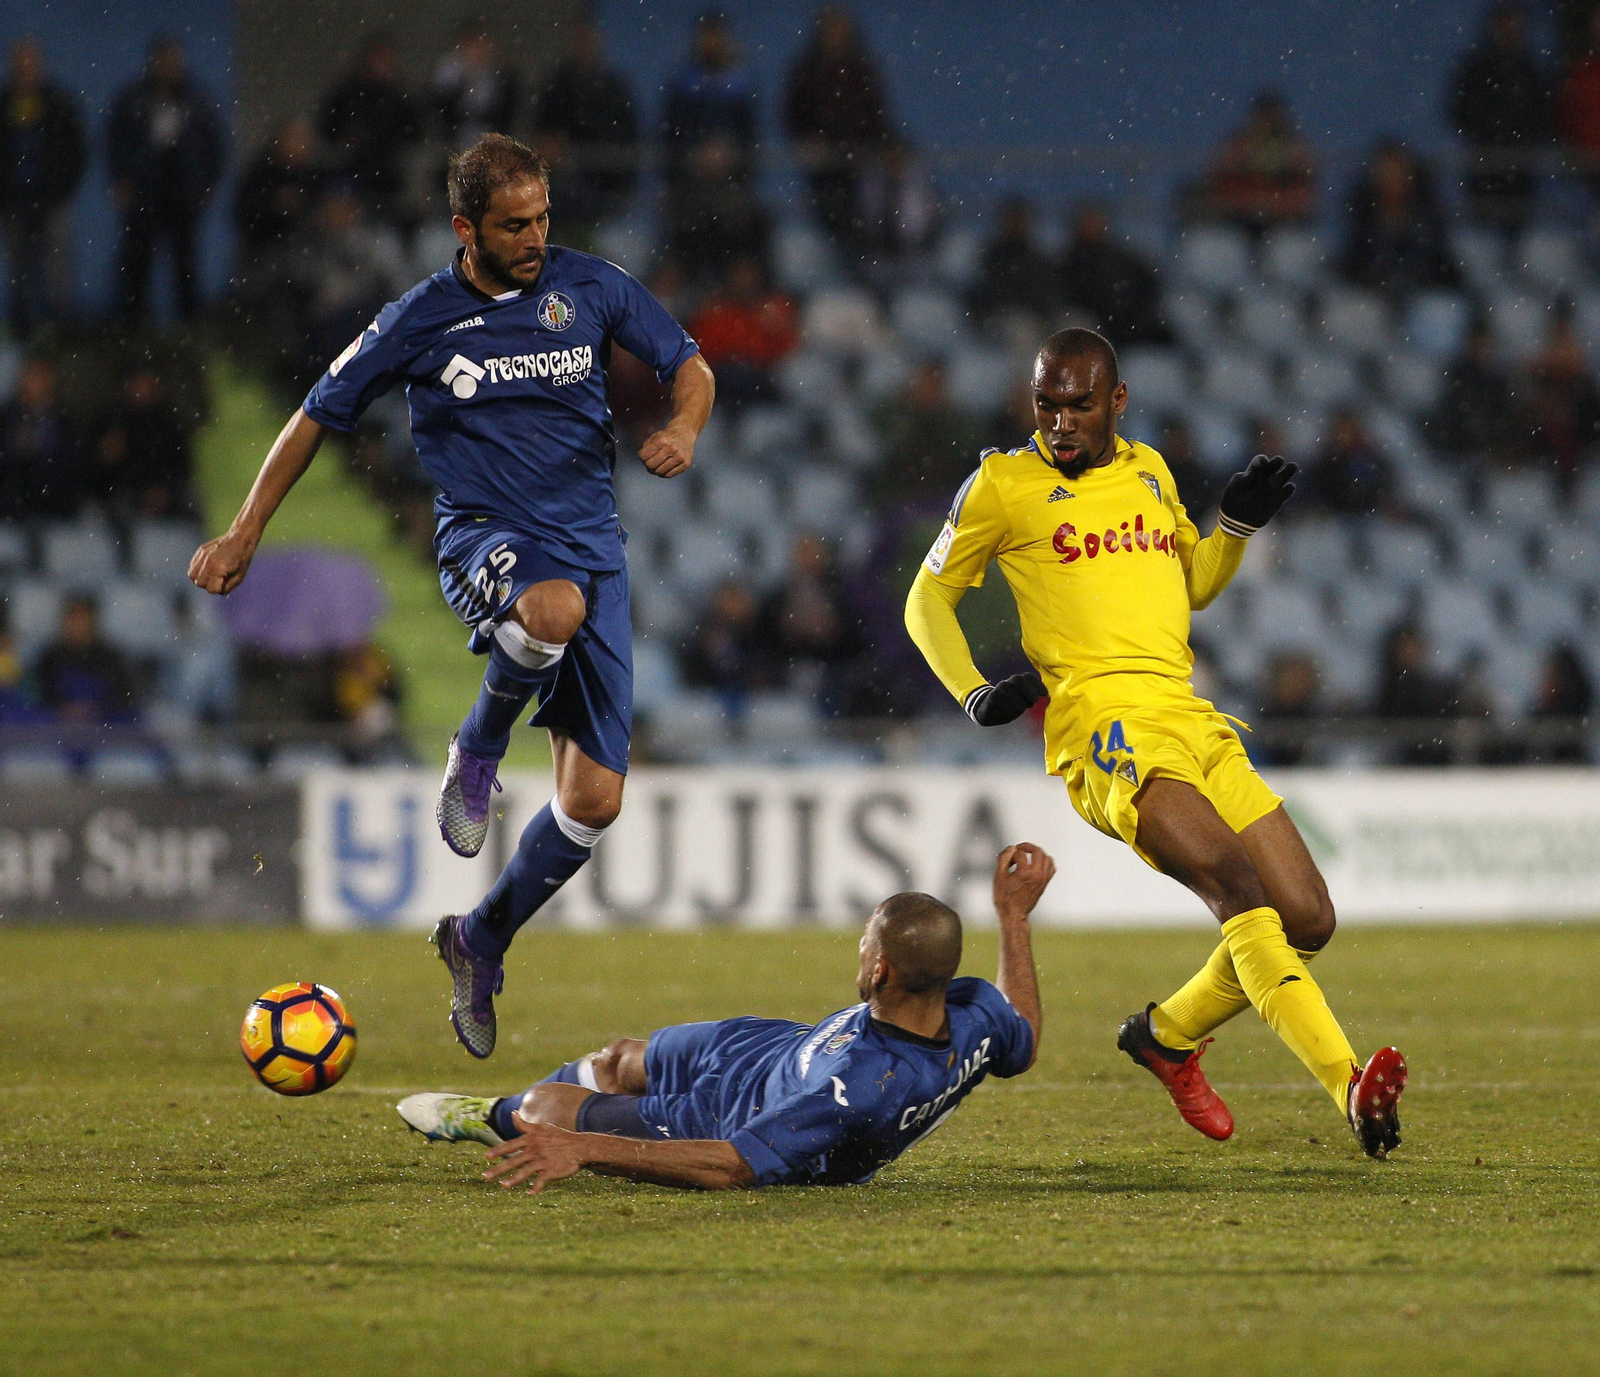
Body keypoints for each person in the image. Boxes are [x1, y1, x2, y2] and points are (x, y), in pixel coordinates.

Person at [189, 134, 715, 1059]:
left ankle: (480, 939)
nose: (535, 237)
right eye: (515, 225)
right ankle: (476, 747)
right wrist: (243, 531)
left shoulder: (589, 286)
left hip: (597, 552)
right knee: (551, 612)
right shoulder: (419, 319)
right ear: (465, 227)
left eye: (544, 217)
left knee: (594, 803)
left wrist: (683, 424)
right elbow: (315, 413)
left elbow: (692, 363)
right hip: (487, 538)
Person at [903, 327, 1408, 1160]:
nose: (1059, 421)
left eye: (1078, 404)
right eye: (1046, 403)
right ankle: (1350, 1085)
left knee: (1308, 916)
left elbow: (1195, 586)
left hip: (1188, 711)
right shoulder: (1002, 483)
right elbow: (928, 600)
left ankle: (1165, 1036)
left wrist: (1234, 528)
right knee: (1238, 887)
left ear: (1118, 402)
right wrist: (974, 690)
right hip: (1103, 730)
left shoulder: (1151, 470)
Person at [396, 844, 1050, 1192]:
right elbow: (1021, 1036)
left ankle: (488, 1116)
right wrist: (1014, 919)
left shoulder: (857, 1089)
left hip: (731, 1117)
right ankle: (539, 1113)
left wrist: (584, 1149)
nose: (858, 951)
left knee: (547, 1105)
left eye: (864, 945)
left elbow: (735, 1163)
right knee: (620, 1057)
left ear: (880, 971)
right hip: (766, 1050)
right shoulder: (976, 1019)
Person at [106, 34, 224, 322]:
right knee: (137, 263)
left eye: (173, 61)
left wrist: (205, 186)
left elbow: (214, 146)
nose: (169, 67)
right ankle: (133, 325)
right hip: (145, 192)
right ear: (153, 62)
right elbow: (115, 141)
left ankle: (190, 324)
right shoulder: (134, 99)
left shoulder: (196, 101)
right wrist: (122, 179)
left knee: (185, 263)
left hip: (182, 192)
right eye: (164, 60)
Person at [783, 4, 891, 248]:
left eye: (841, 29)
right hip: (821, 160)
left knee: (866, 209)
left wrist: (866, 143)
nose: (836, 36)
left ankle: (864, 251)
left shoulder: (862, 70)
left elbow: (877, 115)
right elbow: (793, 115)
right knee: (829, 210)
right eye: (831, 30)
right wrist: (810, 142)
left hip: (858, 159)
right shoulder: (807, 71)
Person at [0, 36, 86, 339]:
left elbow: (76, 150)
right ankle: (22, 331)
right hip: (13, 201)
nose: (26, 70)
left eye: (31, 64)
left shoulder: (58, 105)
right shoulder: (4, 105)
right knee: (19, 269)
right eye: (20, 65)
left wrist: (61, 190)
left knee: (58, 268)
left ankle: (62, 331)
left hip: (52, 200)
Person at [531, 19, 640, 237]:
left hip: (603, 190)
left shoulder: (613, 90)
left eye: (590, 42)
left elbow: (625, 138)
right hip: (560, 190)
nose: (585, 48)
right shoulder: (556, 87)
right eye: (581, 42)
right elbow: (543, 133)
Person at [1449, 2, 1551, 233]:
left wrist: (1525, 134)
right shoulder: (1476, 67)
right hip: (1485, 154)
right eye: (1503, 24)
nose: (1508, 30)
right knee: (1481, 223)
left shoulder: (1529, 68)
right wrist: (1483, 130)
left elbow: (1543, 110)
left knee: (1519, 219)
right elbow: (1458, 109)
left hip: (1521, 158)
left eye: (1513, 25)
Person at [1341, 138, 1458, 299]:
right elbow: (1355, 261)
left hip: (1423, 290)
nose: (1392, 179)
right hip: (1372, 292)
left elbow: (1438, 260)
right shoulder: (1362, 213)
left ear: (1410, 174)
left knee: (1438, 309)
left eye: (1397, 171)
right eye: (1386, 172)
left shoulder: (1429, 212)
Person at [318, 34, 417, 224]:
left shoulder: (398, 96)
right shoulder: (347, 94)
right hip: (352, 168)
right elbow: (328, 129)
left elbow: (414, 132)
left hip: (389, 170)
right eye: (378, 59)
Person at [1204, 91, 1316, 236]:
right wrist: (1251, 203)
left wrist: (1273, 205)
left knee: (1291, 248)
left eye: (1272, 118)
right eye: (1263, 118)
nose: (1267, 123)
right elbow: (1220, 194)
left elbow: (1306, 198)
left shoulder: (1296, 151)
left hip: (1285, 226)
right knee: (1211, 247)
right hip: (1237, 225)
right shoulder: (1237, 148)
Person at [1058, 202, 1168, 345]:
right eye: (1087, 222)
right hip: (1092, 328)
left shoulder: (1125, 260)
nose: (1092, 227)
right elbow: (1066, 300)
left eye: (1096, 221)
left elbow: (1148, 288)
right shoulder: (1066, 264)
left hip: (1130, 327)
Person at [0, 355, 84, 521]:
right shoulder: (7, 419)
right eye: (28, 375)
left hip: (53, 509)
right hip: (10, 507)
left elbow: (70, 465)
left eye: (38, 376)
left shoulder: (63, 423)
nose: (31, 381)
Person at [36, 595, 139, 724]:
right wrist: (65, 709)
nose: (77, 624)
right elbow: (39, 698)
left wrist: (95, 709)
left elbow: (127, 699)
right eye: (72, 618)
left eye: (82, 618)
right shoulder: (50, 658)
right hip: (60, 728)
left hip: (105, 728)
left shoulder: (111, 658)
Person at [433, 22, 519, 154]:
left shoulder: (501, 77)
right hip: (453, 145)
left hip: (492, 145)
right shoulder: (448, 75)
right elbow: (442, 110)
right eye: (473, 45)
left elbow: (506, 114)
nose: (477, 51)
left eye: (482, 45)